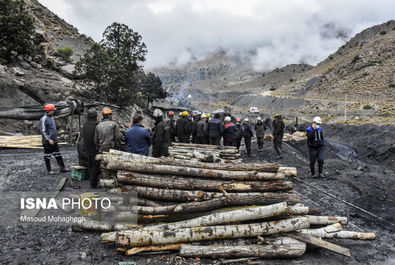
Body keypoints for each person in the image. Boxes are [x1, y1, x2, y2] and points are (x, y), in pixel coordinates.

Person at [40, 104, 68, 175]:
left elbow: (52, 129)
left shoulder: (51, 118)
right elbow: (43, 131)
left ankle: (62, 168)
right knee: (47, 156)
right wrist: (48, 139)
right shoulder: (44, 119)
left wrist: (57, 127)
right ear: (49, 111)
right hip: (48, 142)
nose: (53, 112)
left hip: (54, 140)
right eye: (52, 110)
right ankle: (49, 170)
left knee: (58, 154)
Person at [81, 108, 100, 187]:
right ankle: (93, 183)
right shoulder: (96, 126)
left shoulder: (85, 125)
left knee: (91, 165)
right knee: (95, 166)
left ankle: (91, 180)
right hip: (94, 148)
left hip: (87, 148)